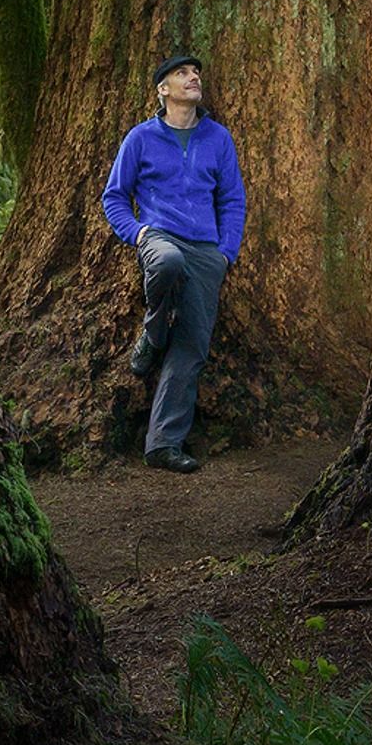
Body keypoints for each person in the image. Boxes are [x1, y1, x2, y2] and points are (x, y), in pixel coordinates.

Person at [100, 52, 247, 474]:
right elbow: (114, 197)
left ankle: (163, 444)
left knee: (193, 345)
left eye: (196, 72)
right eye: (182, 73)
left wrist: (225, 253)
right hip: (159, 237)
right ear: (163, 89)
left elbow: (232, 199)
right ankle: (151, 336)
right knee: (166, 263)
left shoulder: (217, 138)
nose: (193, 77)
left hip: (206, 250)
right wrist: (139, 232)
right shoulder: (141, 138)